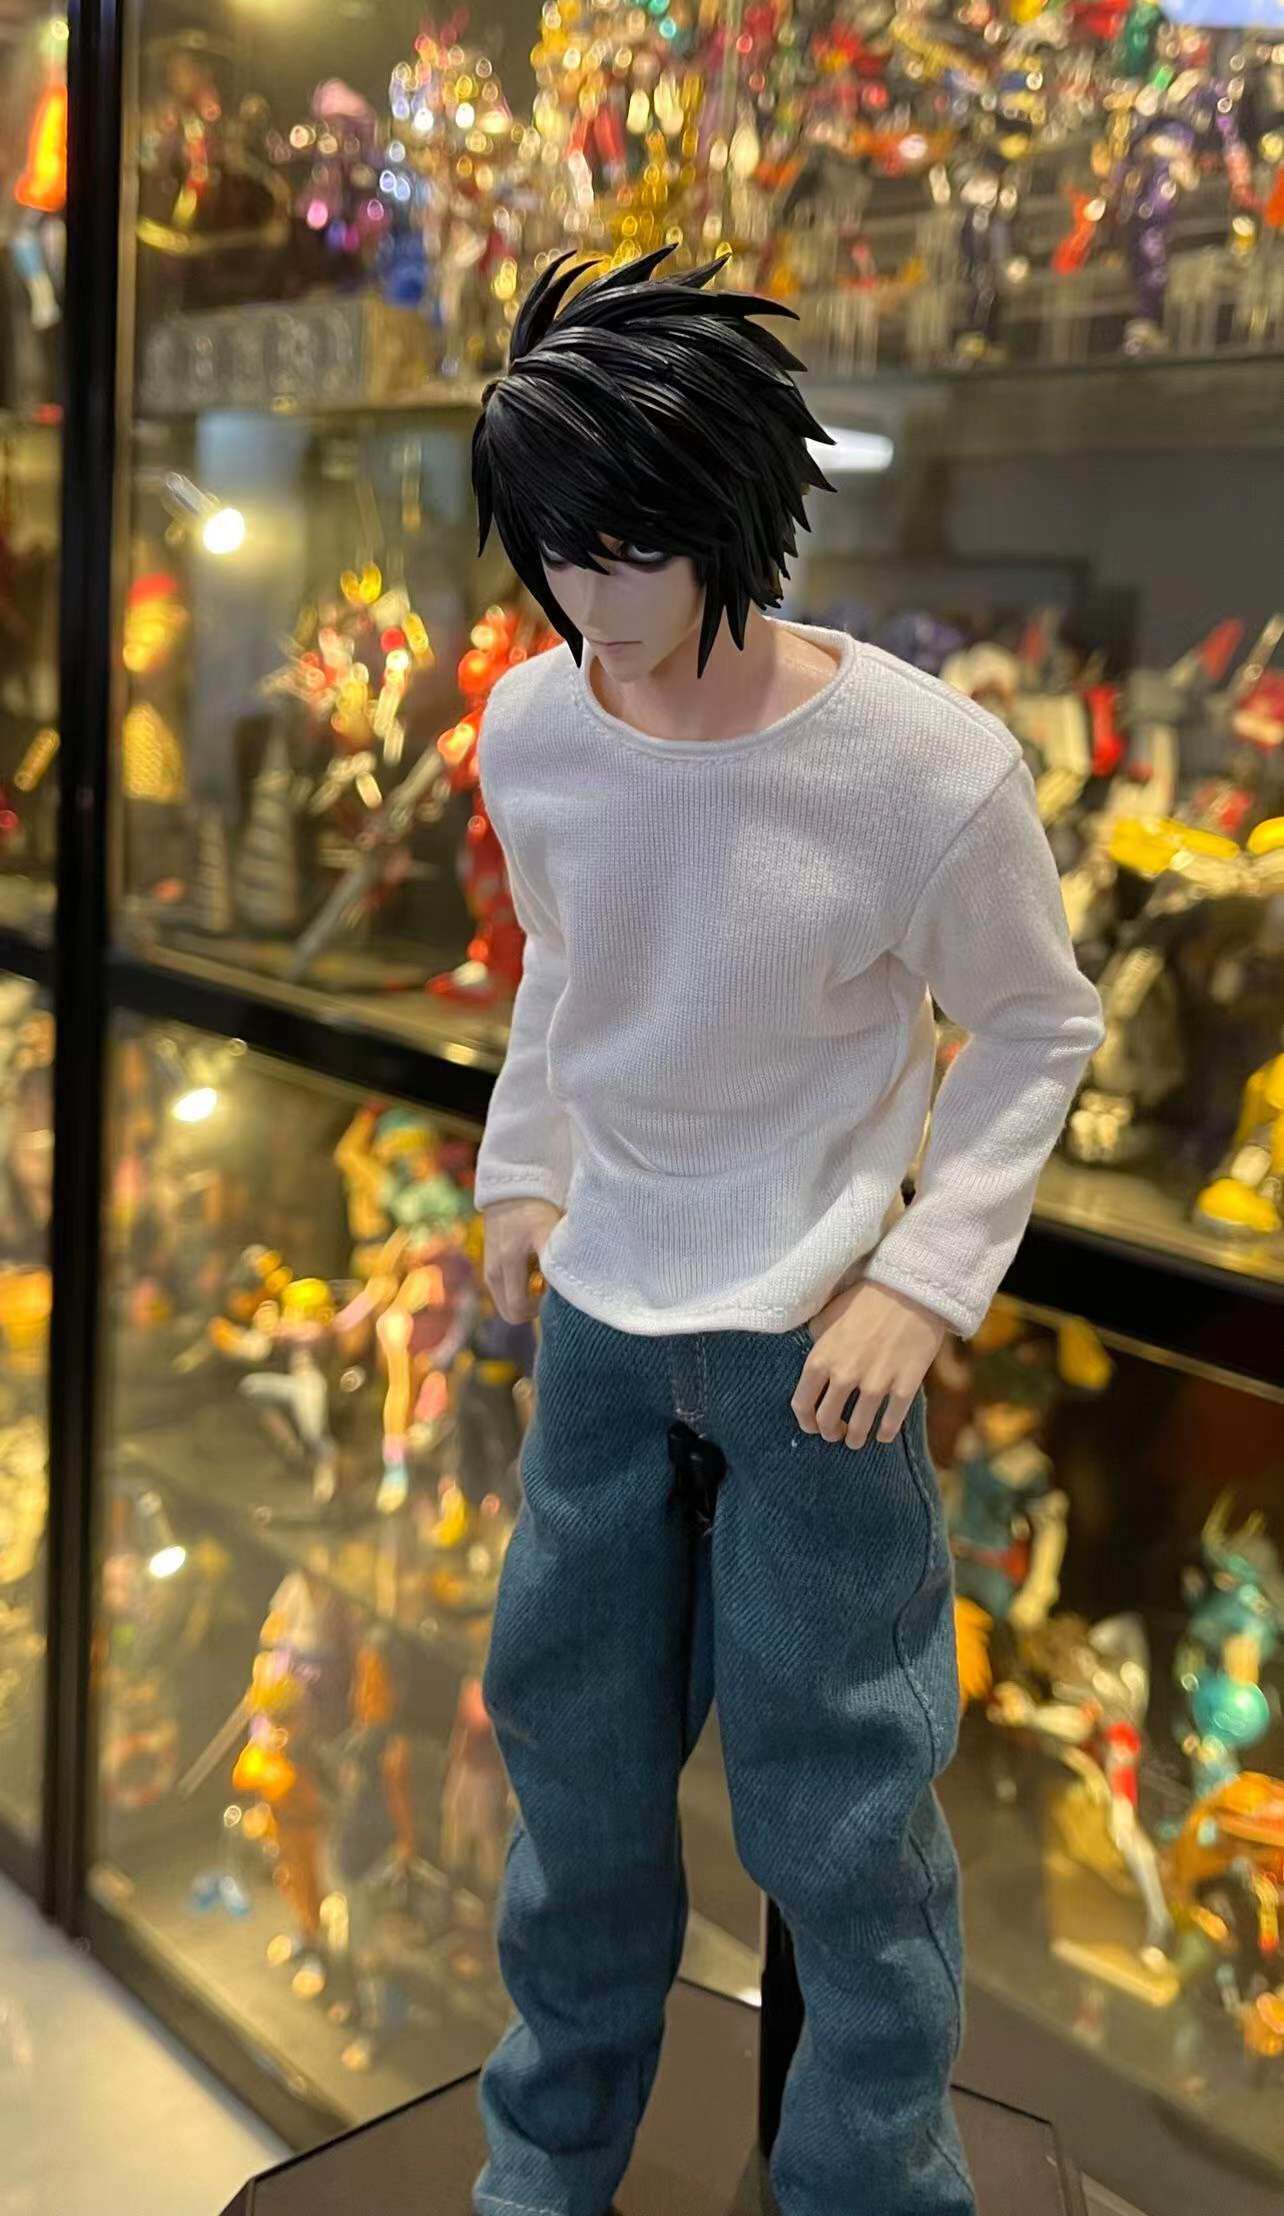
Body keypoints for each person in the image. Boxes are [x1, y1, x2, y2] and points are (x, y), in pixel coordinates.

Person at [467, 246, 1105, 2216]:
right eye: (555, 553)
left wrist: (923, 1278)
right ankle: (541, 2166)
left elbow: (1038, 1025)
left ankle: (869, 2191)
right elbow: (564, 966)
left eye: (634, 549)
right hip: (599, 1318)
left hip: (815, 1346)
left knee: (845, 1830)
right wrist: (521, 1170)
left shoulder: (922, 767)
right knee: (574, 1788)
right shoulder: (535, 725)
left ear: (734, 512)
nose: (595, 601)